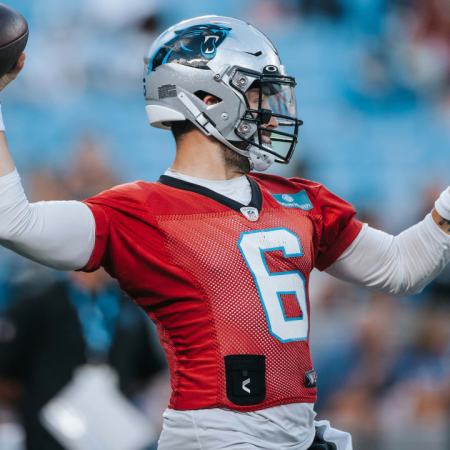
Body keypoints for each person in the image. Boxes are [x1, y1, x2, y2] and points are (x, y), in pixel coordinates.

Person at [0, 15, 449, 450]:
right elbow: (15, 222)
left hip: (296, 431)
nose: (270, 114)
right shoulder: (141, 211)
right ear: (207, 98)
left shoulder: (301, 200)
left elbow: (401, 268)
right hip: (215, 434)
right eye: (256, 95)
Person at [0, 269, 166, 450]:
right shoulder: (39, 303)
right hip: (48, 434)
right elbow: (7, 374)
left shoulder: (127, 308)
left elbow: (146, 373)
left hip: (106, 433)